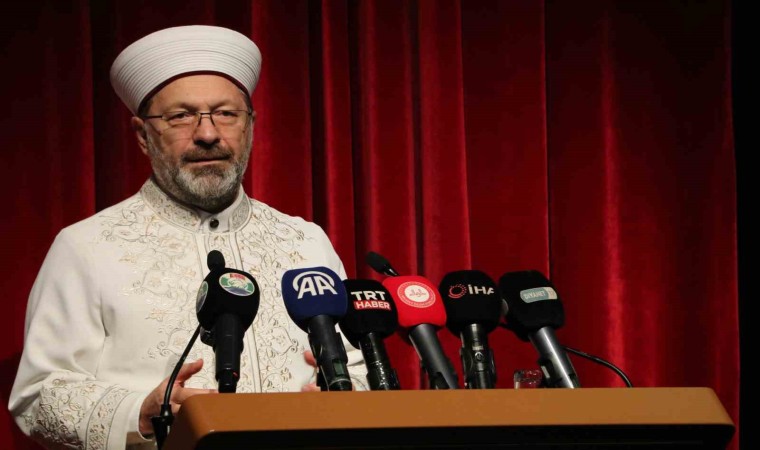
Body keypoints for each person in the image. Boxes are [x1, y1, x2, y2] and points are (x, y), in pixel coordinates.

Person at [8, 25, 367, 450]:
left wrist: (342, 396)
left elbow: (358, 367)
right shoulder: (86, 247)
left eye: (226, 114)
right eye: (180, 116)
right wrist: (141, 411)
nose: (208, 134)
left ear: (250, 127)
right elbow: (39, 396)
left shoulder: (305, 241)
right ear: (143, 136)